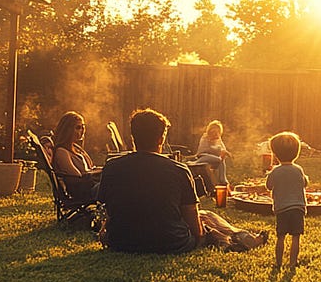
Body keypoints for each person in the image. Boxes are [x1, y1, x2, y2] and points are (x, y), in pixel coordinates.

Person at [96, 108, 266, 253]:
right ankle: (239, 236)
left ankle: (235, 237)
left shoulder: (112, 167)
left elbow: (108, 210)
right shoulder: (178, 170)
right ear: (161, 138)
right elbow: (191, 215)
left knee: (204, 218)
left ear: (133, 136)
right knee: (205, 216)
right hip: (171, 242)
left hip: (121, 242)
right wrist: (201, 237)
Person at [265, 131, 308, 270]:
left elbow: (268, 186)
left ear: (276, 154)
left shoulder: (275, 171)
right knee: (296, 237)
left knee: (281, 236)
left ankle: (278, 263)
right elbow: (304, 183)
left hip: (282, 208)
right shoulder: (298, 169)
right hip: (298, 208)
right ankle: (292, 263)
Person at [51, 111, 101, 203]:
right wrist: (101, 172)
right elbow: (77, 176)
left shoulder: (76, 148)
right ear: (67, 130)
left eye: (83, 127)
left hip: (92, 185)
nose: (82, 131)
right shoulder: (62, 152)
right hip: (84, 191)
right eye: (78, 128)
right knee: (117, 185)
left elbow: (90, 168)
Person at [193, 119, 231, 189]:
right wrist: (220, 150)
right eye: (213, 131)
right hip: (203, 156)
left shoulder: (218, 139)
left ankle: (222, 181)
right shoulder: (205, 137)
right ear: (210, 130)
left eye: (217, 132)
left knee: (221, 160)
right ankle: (195, 163)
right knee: (218, 159)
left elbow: (223, 149)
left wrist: (224, 152)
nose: (215, 133)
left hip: (214, 159)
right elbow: (207, 149)